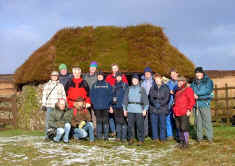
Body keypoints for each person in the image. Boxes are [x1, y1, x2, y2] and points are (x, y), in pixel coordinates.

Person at [123, 74, 149, 146]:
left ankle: (141, 139)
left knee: (139, 125)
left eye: (136, 79)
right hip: (130, 109)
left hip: (139, 110)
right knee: (130, 125)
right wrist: (125, 109)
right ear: (132, 80)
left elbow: (146, 101)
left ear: (138, 80)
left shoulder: (141, 89)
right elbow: (125, 99)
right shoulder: (128, 88)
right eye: (133, 79)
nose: (134, 81)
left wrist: (145, 109)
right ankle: (131, 139)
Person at [191, 67, 214, 143]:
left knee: (207, 121)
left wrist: (197, 94)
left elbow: (208, 90)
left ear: (202, 73)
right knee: (198, 122)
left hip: (204, 103)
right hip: (196, 105)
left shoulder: (208, 81)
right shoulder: (194, 82)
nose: (198, 74)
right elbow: (191, 90)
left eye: (199, 72)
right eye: (196, 73)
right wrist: (193, 95)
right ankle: (199, 138)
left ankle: (210, 138)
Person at [41, 71, 66, 140]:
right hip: (49, 106)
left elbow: (64, 96)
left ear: (57, 77)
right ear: (51, 76)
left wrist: (63, 104)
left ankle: (57, 136)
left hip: (57, 107)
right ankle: (47, 136)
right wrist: (43, 104)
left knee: (58, 122)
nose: (54, 76)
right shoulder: (47, 85)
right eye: (53, 75)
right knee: (48, 122)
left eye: (56, 75)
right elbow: (44, 95)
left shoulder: (60, 85)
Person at [106, 64, 128, 137]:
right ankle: (117, 134)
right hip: (115, 104)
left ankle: (124, 135)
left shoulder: (124, 83)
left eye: (116, 68)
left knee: (122, 120)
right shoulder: (112, 83)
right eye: (113, 68)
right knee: (116, 119)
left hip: (122, 104)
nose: (114, 70)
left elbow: (126, 94)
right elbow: (110, 92)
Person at [173, 76, 195, 148]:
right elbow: (175, 102)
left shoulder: (188, 90)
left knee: (184, 127)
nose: (178, 83)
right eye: (178, 81)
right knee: (179, 127)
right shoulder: (177, 91)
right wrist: (174, 111)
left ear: (184, 82)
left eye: (180, 81)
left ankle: (186, 143)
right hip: (177, 112)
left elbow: (192, 101)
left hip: (184, 112)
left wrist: (189, 109)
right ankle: (181, 141)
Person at [90, 71, 113, 140]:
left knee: (106, 121)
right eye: (98, 75)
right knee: (99, 121)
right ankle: (99, 135)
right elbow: (92, 96)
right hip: (97, 107)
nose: (99, 76)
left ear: (103, 76)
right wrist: (94, 104)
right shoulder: (94, 85)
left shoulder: (107, 85)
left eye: (101, 75)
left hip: (105, 107)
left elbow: (110, 95)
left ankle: (106, 136)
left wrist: (108, 104)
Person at [149, 73, 170, 143]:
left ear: (161, 79)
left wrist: (160, 103)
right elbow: (151, 98)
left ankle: (163, 138)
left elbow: (167, 98)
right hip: (154, 108)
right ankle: (155, 138)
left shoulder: (166, 87)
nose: (157, 81)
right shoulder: (152, 88)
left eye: (158, 79)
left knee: (162, 124)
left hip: (162, 108)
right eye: (156, 80)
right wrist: (154, 103)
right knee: (154, 124)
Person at [110, 72, 128, 142]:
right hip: (115, 106)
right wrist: (111, 105)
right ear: (116, 77)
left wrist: (126, 106)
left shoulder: (125, 85)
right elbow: (111, 96)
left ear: (121, 77)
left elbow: (127, 96)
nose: (118, 78)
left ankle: (124, 137)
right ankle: (118, 136)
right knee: (117, 121)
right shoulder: (113, 86)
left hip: (122, 106)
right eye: (117, 76)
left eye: (120, 76)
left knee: (123, 121)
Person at [83, 61, 98, 133]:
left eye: (94, 68)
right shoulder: (85, 76)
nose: (92, 69)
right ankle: (86, 130)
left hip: (95, 98)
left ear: (96, 69)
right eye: (91, 67)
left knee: (94, 115)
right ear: (89, 68)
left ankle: (95, 130)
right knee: (86, 115)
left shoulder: (98, 76)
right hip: (86, 98)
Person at [141, 67, 154, 137]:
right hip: (144, 101)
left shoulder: (153, 82)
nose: (147, 74)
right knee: (145, 118)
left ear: (151, 74)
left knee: (152, 117)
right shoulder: (142, 83)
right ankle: (145, 133)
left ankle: (151, 132)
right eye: (146, 73)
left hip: (152, 101)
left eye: (148, 73)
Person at [166, 69, 179, 140]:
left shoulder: (180, 83)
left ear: (177, 74)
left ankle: (178, 134)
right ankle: (170, 135)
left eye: (174, 74)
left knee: (177, 120)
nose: (173, 75)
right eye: (172, 74)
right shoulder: (167, 84)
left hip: (178, 104)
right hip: (169, 104)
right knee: (168, 119)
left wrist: (174, 92)